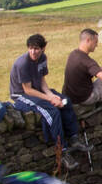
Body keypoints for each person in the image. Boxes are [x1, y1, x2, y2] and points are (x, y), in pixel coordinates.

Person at [10, 33, 88, 167]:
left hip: (37, 91)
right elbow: (28, 90)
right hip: (21, 95)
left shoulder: (43, 58)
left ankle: (74, 138)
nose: (33, 52)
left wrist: (51, 96)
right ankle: (62, 151)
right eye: (30, 48)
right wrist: (49, 99)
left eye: (36, 49)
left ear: (43, 48)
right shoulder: (23, 63)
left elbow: (42, 82)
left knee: (66, 102)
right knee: (53, 111)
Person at [63, 27, 102, 107]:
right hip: (85, 98)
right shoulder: (86, 61)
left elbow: (98, 69)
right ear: (88, 40)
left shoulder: (73, 54)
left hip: (70, 97)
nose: (96, 45)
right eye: (95, 42)